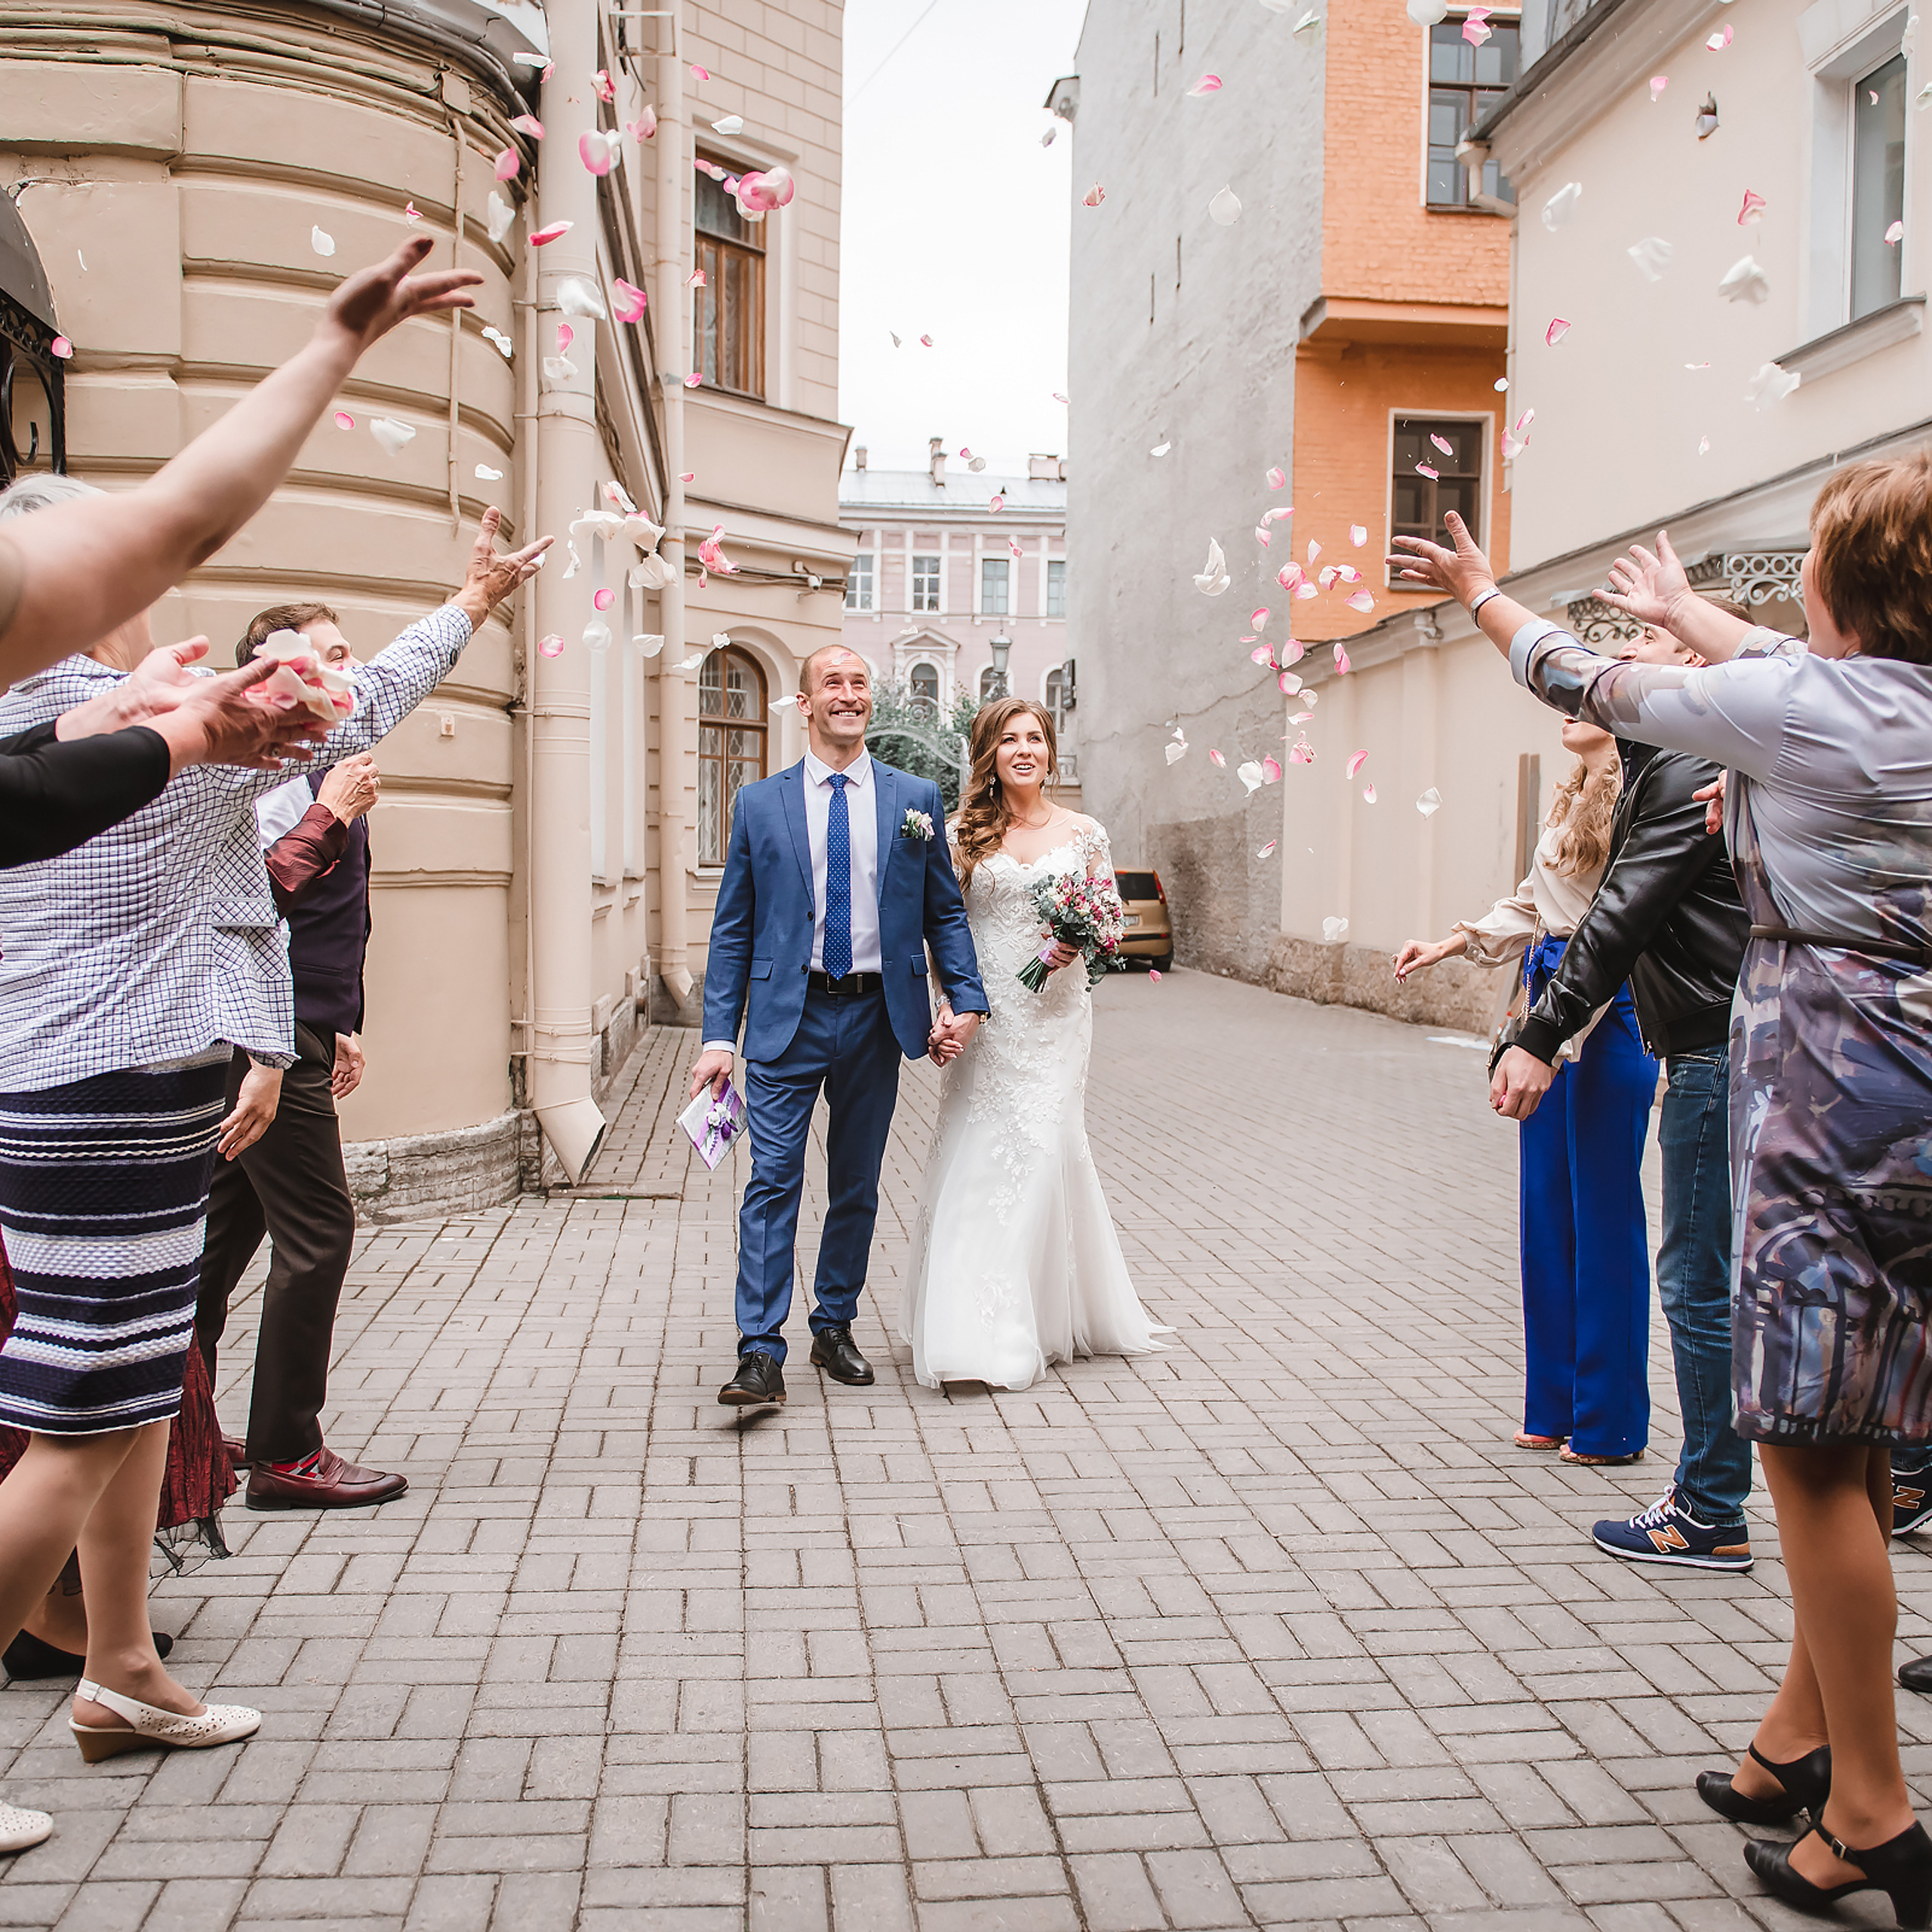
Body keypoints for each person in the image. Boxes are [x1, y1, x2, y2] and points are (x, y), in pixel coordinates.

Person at [1390, 456, 1932, 1925]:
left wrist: (1477, 596)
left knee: (1808, 1452)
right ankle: (1791, 1743)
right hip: (1923, 1114)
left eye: (1809, 558)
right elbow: (1766, 659)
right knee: (1865, 1435)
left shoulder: (1800, 712)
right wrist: (1693, 606)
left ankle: (1870, 1811)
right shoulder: (1891, 695)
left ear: (1846, 581)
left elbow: (1585, 679)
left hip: (1822, 1104)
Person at [0, 499, 543, 1848]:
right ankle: (105, 1666)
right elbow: (350, 708)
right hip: (106, 1088)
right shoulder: (116, 707)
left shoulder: (62, 708)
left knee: (129, 1401)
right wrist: (471, 608)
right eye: (122, 556)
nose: (148, 575)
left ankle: (119, 1674)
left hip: (109, 1081)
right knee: (76, 1420)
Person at [1485, 608, 1758, 1575]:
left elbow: (1618, 916)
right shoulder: (1679, 759)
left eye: (1633, 645)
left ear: (1688, 663)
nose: (1610, 664)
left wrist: (1542, 1034)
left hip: (1691, 1041)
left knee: (1693, 1277)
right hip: (1708, 1035)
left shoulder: (1683, 765)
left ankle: (1708, 1499)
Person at [690, 645, 989, 1407]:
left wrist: (967, 996)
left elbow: (942, 912)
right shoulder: (760, 803)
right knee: (771, 1180)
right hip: (786, 1020)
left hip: (873, 1014)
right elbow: (733, 929)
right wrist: (718, 1037)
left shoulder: (913, 797)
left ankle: (834, 1324)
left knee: (854, 1184)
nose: (848, 695)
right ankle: (759, 1349)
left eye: (858, 683)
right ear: (805, 702)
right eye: (833, 684)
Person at [1395, 719, 1654, 1465]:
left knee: (1603, 1219)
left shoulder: (1645, 790)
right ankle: (1553, 1403)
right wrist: (1451, 941)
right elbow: (1534, 906)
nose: (1566, 707)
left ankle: (1608, 1420)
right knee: (1546, 1212)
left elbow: (1619, 929)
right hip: (1549, 1003)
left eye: (1584, 690)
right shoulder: (1572, 793)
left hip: (1608, 1012)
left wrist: (1556, 1036)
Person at [195, 601, 403, 1511]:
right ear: (281, 679)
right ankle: (287, 1452)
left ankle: (178, 1425)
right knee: (318, 1236)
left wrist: (342, 1018)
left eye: (347, 648)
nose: (348, 663)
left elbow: (332, 916)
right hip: (263, 1040)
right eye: (330, 654)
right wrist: (327, 810)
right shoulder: (274, 777)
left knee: (221, 1233)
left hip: (299, 1027)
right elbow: (257, 903)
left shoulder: (326, 763)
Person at [898, 697, 1167, 1390]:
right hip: (985, 1018)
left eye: (1037, 739)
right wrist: (947, 1006)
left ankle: (1028, 1322)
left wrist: (1078, 941)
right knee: (978, 1152)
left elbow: (1114, 926)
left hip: (1055, 1019)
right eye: (1010, 740)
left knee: (1042, 1150)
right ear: (987, 752)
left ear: (1050, 751)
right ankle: (971, 1329)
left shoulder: (1084, 833)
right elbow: (939, 929)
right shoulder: (960, 834)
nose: (1026, 750)